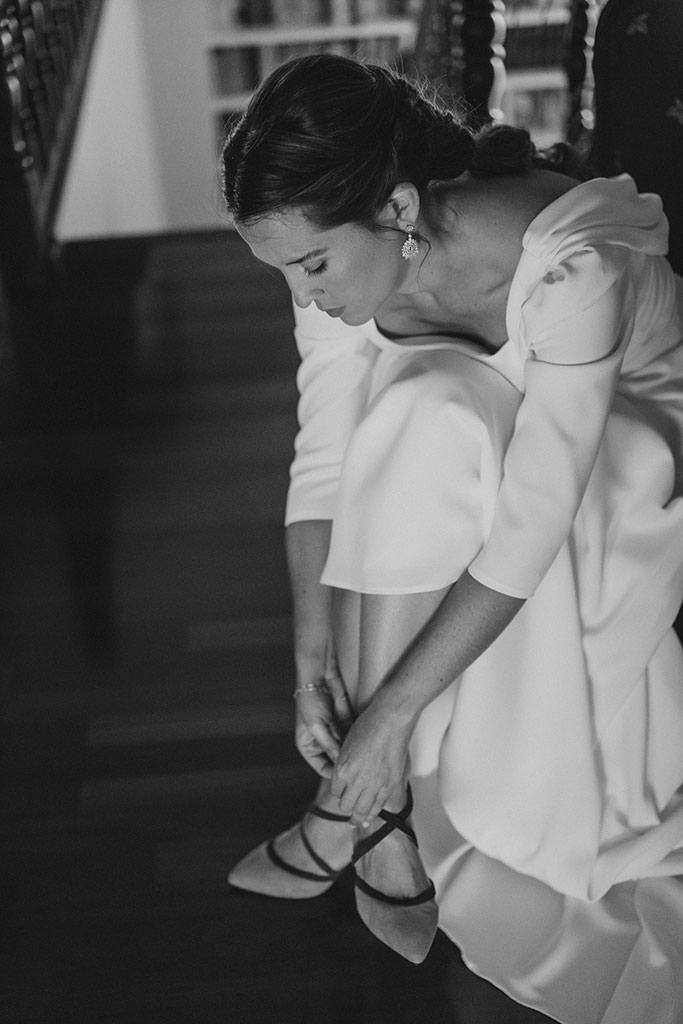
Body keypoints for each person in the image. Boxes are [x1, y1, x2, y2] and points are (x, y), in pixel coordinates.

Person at [222, 53, 683, 1022]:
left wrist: (384, 720)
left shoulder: (570, 267)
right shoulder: (346, 250)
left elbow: (530, 525)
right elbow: (323, 459)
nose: (303, 298)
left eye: (309, 267)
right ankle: (374, 817)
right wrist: (310, 663)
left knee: (430, 411)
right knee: (416, 409)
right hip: (505, 455)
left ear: (393, 209)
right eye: (282, 273)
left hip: (632, 461)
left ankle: (361, 804)